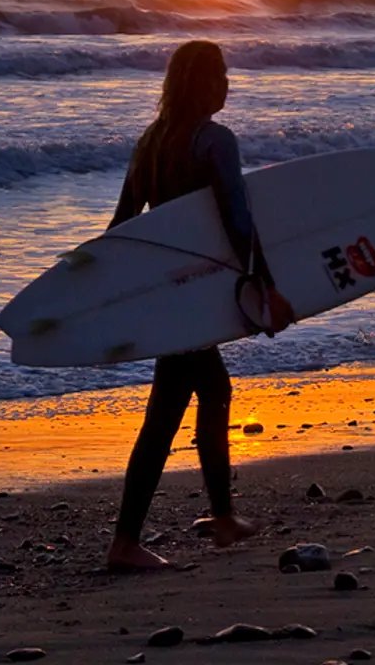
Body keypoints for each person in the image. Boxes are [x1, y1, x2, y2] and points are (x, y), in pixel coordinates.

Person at [105, 40, 295, 572]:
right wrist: (266, 289)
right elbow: (238, 221)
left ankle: (223, 517)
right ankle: (127, 542)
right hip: (198, 293)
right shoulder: (214, 141)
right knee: (169, 413)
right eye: (221, 75)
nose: (228, 84)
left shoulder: (150, 142)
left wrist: (108, 295)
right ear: (202, 84)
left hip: (168, 295)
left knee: (206, 392)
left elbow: (122, 225)